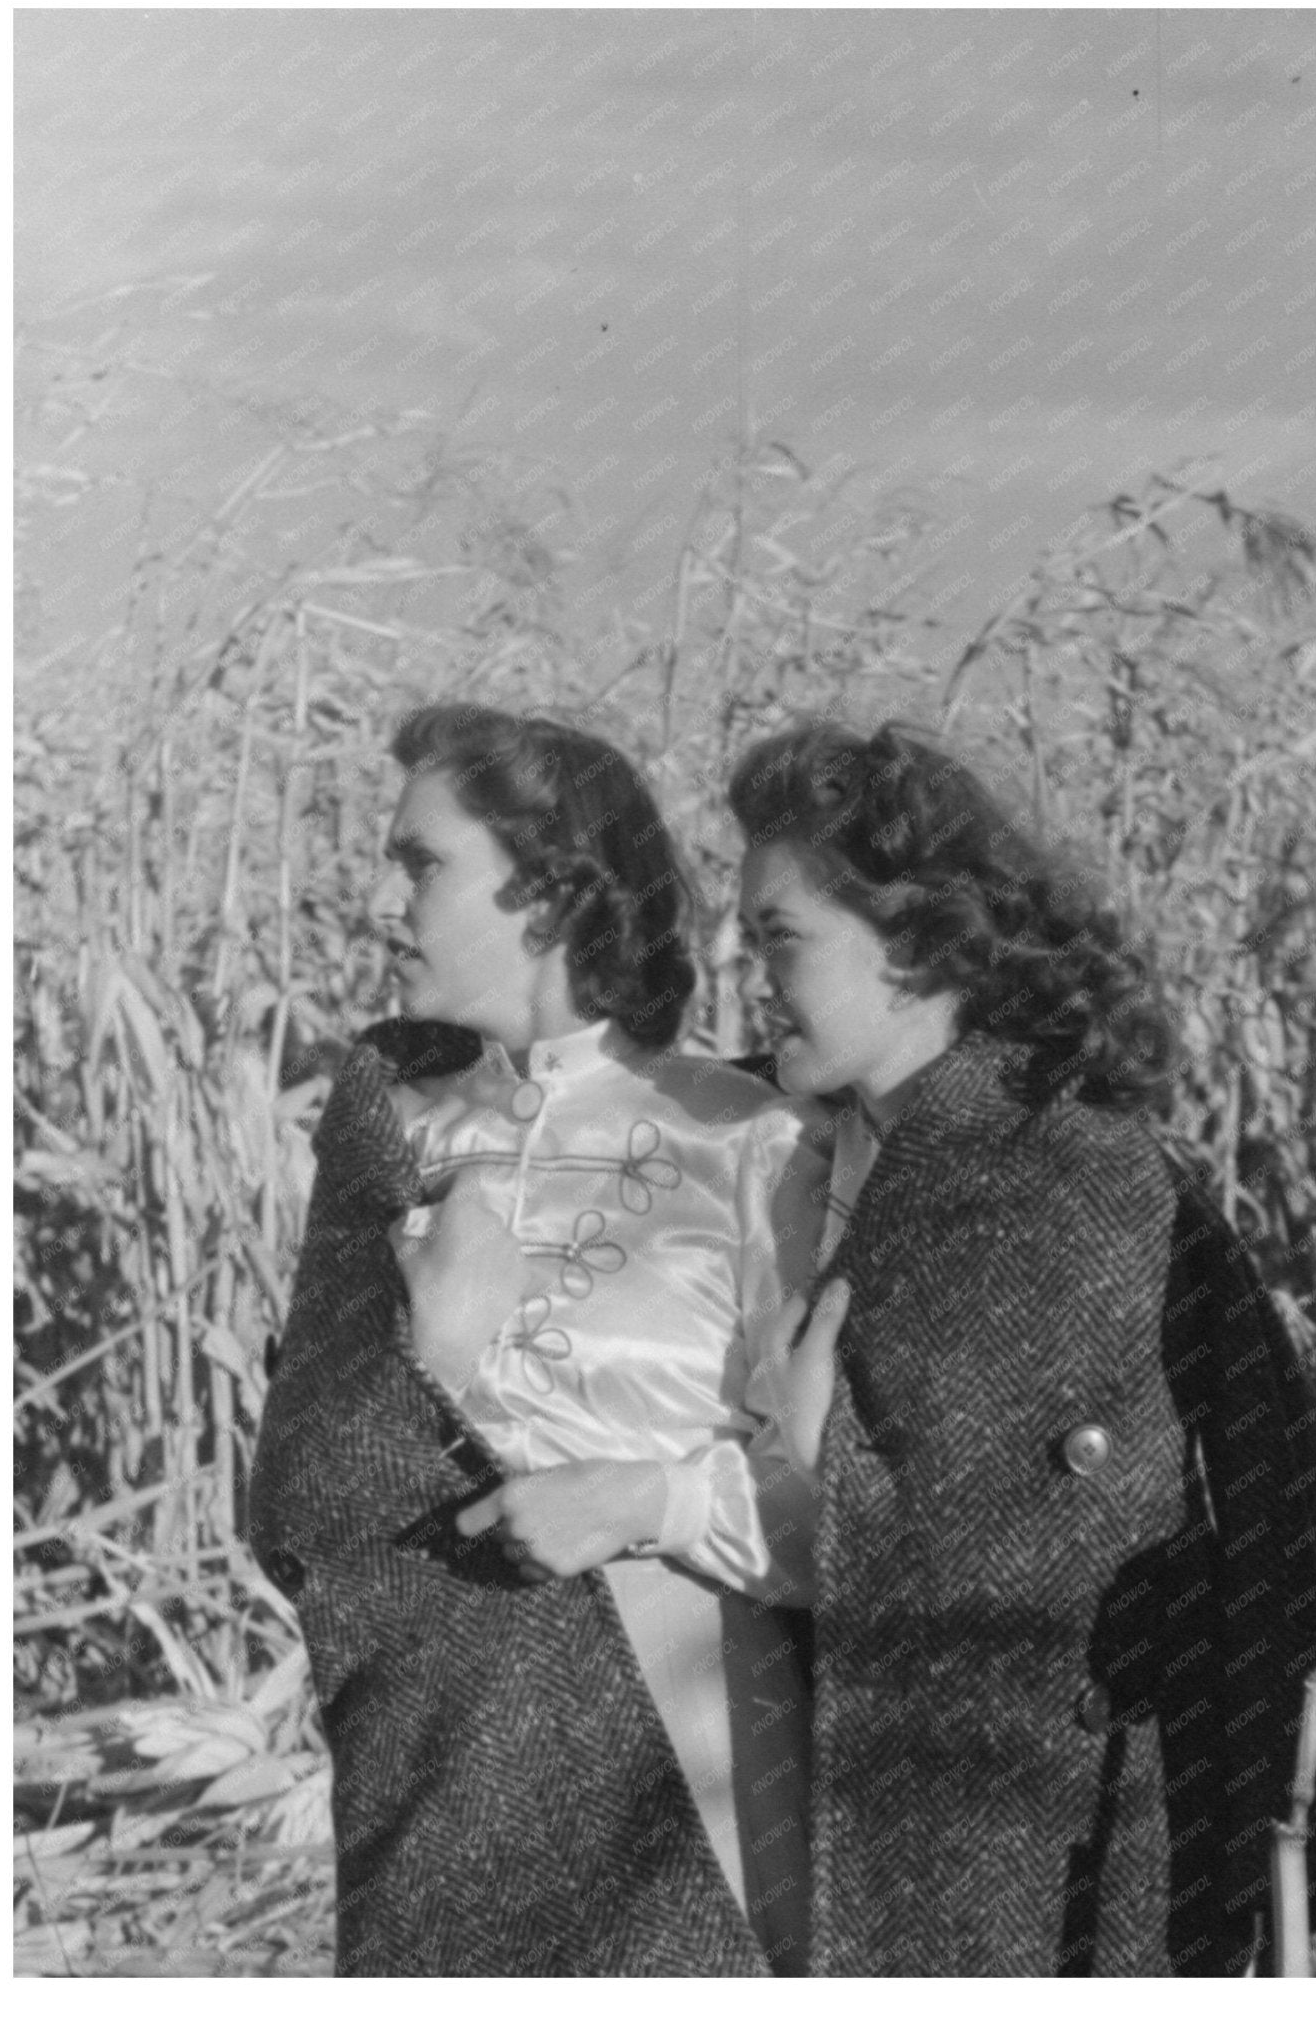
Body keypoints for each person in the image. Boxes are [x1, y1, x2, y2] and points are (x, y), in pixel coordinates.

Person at [727, 721, 1316, 1976]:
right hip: (853, 1833)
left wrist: (803, 1465)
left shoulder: (1058, 1178)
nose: (750, 968)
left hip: (1027, 1855)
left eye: (780, 936)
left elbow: (1029, 1580)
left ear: (916, 946)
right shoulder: (812, 1143)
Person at [248, 703, 827, 1976]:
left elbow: (836, 1514)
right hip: (435, 1742)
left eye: (420, 861)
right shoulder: (387, 1139)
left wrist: (639, 1498)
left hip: (686, 1741)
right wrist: (436, 1354)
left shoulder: (745, 1139)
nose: (380, 899)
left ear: (553, 892)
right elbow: (303, 1493)